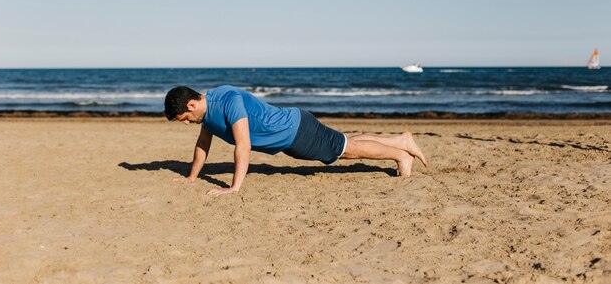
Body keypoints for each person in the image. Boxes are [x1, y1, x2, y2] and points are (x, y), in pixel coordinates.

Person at [164, 85, 427, 196]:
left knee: (346, 150)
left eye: (184, 118)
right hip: (293, 130)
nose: (187, 123)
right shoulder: (207, 111)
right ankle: (400, 140)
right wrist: (192, 177)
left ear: (191, 104)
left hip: (296, 132)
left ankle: (401, 155)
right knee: (344, 141)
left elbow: (243, 145)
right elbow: (203, 146)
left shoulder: (228, 101)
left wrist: (234, 189)